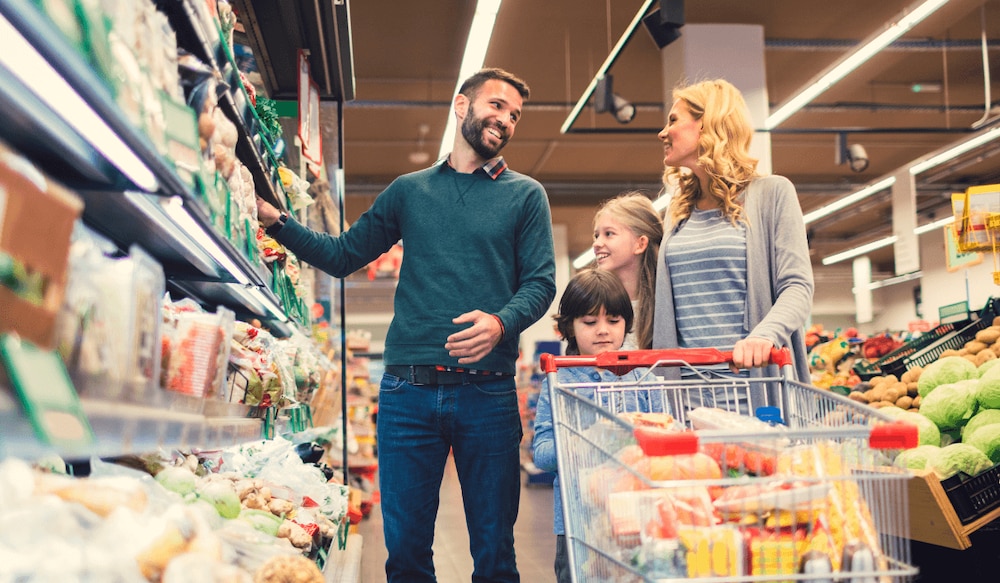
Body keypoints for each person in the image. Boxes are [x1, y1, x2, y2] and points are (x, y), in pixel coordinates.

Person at [256, 68, 556, 583]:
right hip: (406, 395)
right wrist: (277, 222)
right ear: (462, 106)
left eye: (515, 115)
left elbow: (541, 283)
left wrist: (501, 323)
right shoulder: (409, 192)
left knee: (495, 553)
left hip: (488, 395)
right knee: (407, 554)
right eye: (498, 105)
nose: (505, 120)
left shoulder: (526, 196)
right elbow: (343, 255)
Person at [653, 78, 814, 406]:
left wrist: (765, 335)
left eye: (673, 120)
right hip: (687, 400)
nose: (662, 132)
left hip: (754, 395)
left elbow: (797, 287)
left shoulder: (771, 193)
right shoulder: (678, 210)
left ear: (707, 124)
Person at [531, 269, 669, 583]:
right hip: (577, 526)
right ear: (569, 327)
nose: (603, 331)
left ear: (627, 323)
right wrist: (584, 440)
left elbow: (665, 440)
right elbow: (541, 454)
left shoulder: (643, 377)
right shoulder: (558, 382)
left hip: (640, 521)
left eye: (614, 321)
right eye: (590, 323)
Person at [591, 191, 664, 350]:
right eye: (596, 235)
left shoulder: (665, 306)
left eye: (608, 234)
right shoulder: (593, 304)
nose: (597, 243)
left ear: (640, 244)